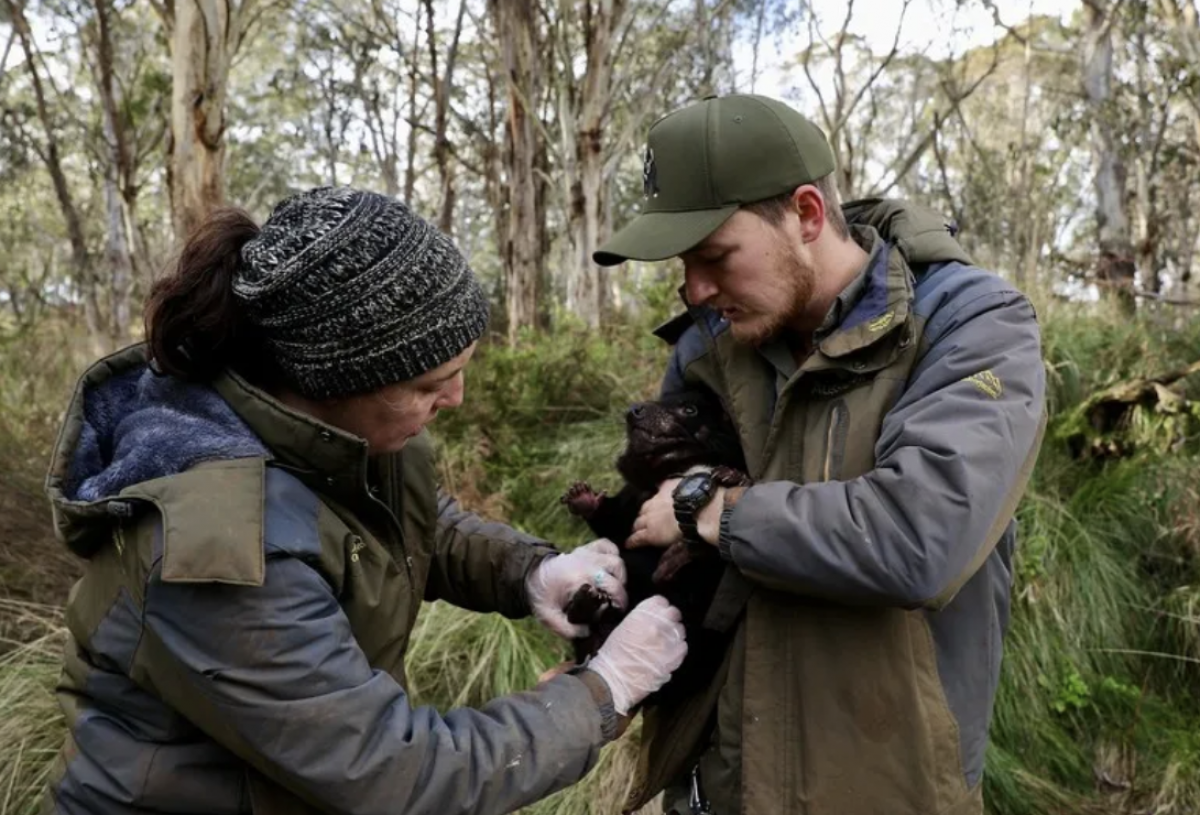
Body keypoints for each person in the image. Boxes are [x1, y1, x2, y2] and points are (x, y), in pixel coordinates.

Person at [41, 186, 687, 815]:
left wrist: (531, 572)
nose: (456, 398)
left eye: (461, 368)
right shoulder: (216, 547)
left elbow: (419, 525)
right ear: (332, 379)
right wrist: (602, 691)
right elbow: (393, 773)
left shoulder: (359, 436)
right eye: (430, 382)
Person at [592, 94, 1047, 815]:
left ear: (806, 214)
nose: (695, 288)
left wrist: (708, 507)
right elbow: (666, 531)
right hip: (716, 780)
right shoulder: (707, 348)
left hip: (886, 784)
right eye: (684, 261)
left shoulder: (972, 324)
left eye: (715, 256)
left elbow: (919, 539)